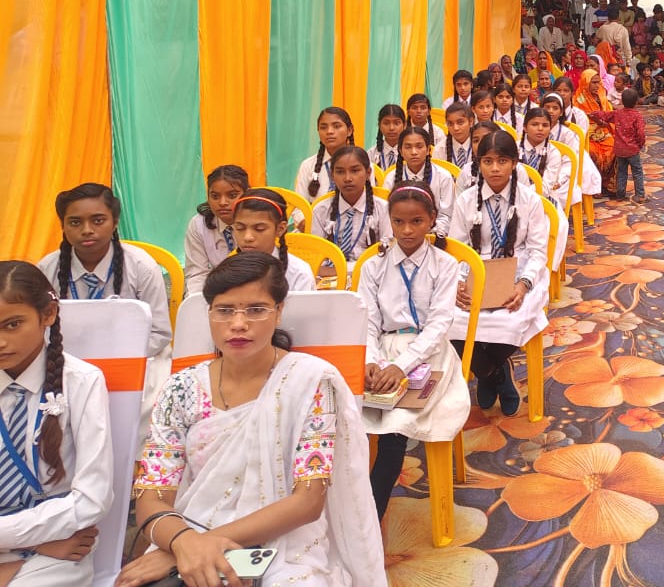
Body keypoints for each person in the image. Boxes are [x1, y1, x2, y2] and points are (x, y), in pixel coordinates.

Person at [121, 254, 383, 587]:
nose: (238, 323)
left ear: (279, 311)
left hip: (287, 542)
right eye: (224, 310)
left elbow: (308, 502)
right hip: (189, 528)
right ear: (209, 313)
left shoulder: (310, 382)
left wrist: (196, 546)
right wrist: (183, 542)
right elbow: (152, 496)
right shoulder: (180, 389)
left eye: (256, 310)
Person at [360, 186, 470, 519]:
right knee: (349, 417)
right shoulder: (374, 265)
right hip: (383, 350)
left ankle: (369, 518)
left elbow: (438, 325)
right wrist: (371, 360)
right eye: (398, 222)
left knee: (396, 426)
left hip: (429, 354)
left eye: (417, 221)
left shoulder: (445, 264)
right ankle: (353, 510)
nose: (407, 230)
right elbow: (367, 321)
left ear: (432, 220)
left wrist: (400, 366)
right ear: (389, 221)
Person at [0, 261, 112, 587]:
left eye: (12, 325)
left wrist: (22, 540)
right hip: (48, 541)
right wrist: (32, 541)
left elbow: (92, 498)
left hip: (59, 549)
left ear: (48, 314)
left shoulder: (82, 382)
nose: (0, 341)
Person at [38, 184, 171, 419]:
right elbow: (39, 331)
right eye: (75, 222)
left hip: (132, 359)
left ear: (115, 222)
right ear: (63, 226)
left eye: (98, 221)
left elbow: (159, 334)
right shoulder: (47, 269)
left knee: (146, 407)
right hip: (67, 359)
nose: (87, 230)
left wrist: (112, 358)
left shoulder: (142, 267)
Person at [449, 131, 551, 416]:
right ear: (478, 163)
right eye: (488, 161)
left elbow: (538, 251)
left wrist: (523, 284)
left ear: (514, 163)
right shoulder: (466, 200)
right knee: (448, 319)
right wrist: (458, 283)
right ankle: (495, 374)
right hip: (476, 273)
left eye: (502, 161)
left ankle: (487, 372)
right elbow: (457, 250)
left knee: (512, 320)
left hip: (519, 272)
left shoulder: (529, 200)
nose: (495, 168)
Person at [310, 146, 392, 268]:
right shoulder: (321, 210)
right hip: (330, 274)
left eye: (355, 171)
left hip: (370, 272)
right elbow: (316, 256)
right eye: (340, 172)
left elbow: (386, 254)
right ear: (332, 176)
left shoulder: (383, 209)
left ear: (368, 173)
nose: (347, 178)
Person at [229, 189, 319, 292]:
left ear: (280, 229)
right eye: (240, 228)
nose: (247, 237)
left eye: (259, 229)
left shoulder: (298, 273)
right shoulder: (226, 271)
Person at [183, 165, 249, 296]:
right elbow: (197, 274)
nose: (222, 202)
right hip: (217, 293)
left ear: (247, 194)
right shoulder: (198, 224)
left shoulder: (258, 223)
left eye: (232, 195)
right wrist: (196, 302)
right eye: (215, 196)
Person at [382, 127, 457, 235]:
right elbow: (386, 216)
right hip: (400, 235)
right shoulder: (391, 178)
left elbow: (446, 216)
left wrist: (426, 232)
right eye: (408, 147)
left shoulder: (443, 177)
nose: (414, 152)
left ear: (428, 150)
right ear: (400, 151)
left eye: (419, 146)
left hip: (432, 235)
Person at [295, 106, 357, 199]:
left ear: (349, 130)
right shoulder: (308, 166)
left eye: (336, 126)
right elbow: (299, 205)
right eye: (323, 127)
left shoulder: (364, 163)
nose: (329, 131)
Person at [575, 68, 617, 195]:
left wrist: (604, 123)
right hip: (586, 133)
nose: (597, 85)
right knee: (592, 153)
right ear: (585, 82)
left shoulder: (602, 96)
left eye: (598, 82)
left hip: (603, 130)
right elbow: (578, 119)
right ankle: (594, 186)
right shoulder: (578, 99)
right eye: (593, 82)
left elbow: (610, 114)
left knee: (614, 148)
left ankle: (607, 184)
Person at [612, 88, 648, 204]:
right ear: (636, 102)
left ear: (622, 101)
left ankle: (620, 195)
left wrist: (592, 114)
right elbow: (640, 133)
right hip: (632, 149)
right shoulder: (637, 116)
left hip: (619, 149)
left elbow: (605, 115)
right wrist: (640, 144)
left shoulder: (617, 113)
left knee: (621, 172)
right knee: (637, 172)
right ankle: (640, 195)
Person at [371, 103, 407, 171]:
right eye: (386, 123)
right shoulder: (371, 153)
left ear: (404, 125)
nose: (391, 128)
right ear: (379, 126)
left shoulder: (411, 152)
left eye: (396, 123)